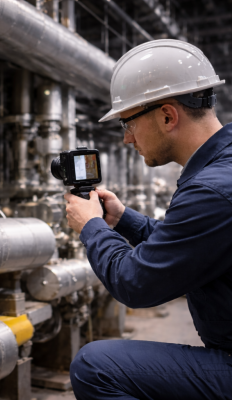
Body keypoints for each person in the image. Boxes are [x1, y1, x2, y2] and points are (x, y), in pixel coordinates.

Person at [65, 39, 232, 399]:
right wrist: (123, 219)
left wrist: (91, 226)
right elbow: (189, 247)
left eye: (128, 123)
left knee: (95, 367)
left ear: (167, 116)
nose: (127, 139)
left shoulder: (211, 191)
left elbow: (136, 283)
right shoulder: (222, 172)